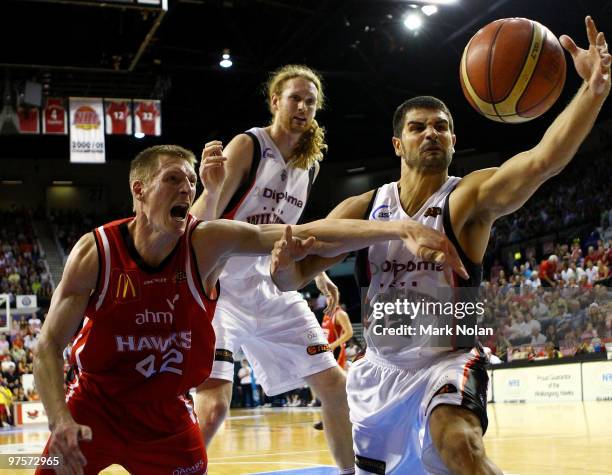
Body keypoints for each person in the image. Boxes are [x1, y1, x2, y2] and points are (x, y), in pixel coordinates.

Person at [270, 17, 610, 474]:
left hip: (448, 360)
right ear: (397, 143)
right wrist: (285, 262)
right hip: (381, 368)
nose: (431, 133)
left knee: (461, 444)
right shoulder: (363, 206)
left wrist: (592, 90)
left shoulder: (467, 197)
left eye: (441, 127)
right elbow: (292, 276)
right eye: (418, 127)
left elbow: (542, 162)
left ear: (454, 140)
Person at [33, 144, 466, 474]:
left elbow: (309, 231)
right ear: (139, 190)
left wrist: (398, 227)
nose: (186, 188)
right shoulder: (96, 252)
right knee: (40, 467)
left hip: (165, 415)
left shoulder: (207, 242)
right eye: (173, 180)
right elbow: (48, 346)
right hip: (96, 407)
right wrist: (59, 420)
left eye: (190, 181)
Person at [190, 64, 352, 471]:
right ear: (275, 101)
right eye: (295, 98)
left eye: (311, 102)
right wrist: (207, 188)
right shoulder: (248, 146)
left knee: (335, 386)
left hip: (270, 290)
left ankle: (350, 472)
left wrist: (321, 275)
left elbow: (286, 231)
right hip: (219, 291)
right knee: (213, 409)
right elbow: (199, 222)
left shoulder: (309, 165)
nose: (302, 107)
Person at [314, 303, 354, 430]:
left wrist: (334, 345)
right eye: (326, 295)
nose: (328, 297)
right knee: (327, 387)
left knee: (336, 387)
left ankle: (346, 417)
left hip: (336, 353)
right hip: (326, 352)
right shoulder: (326, 314)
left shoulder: (340, 314)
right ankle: (329, 419)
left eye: (330, 294)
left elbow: (349, 333)